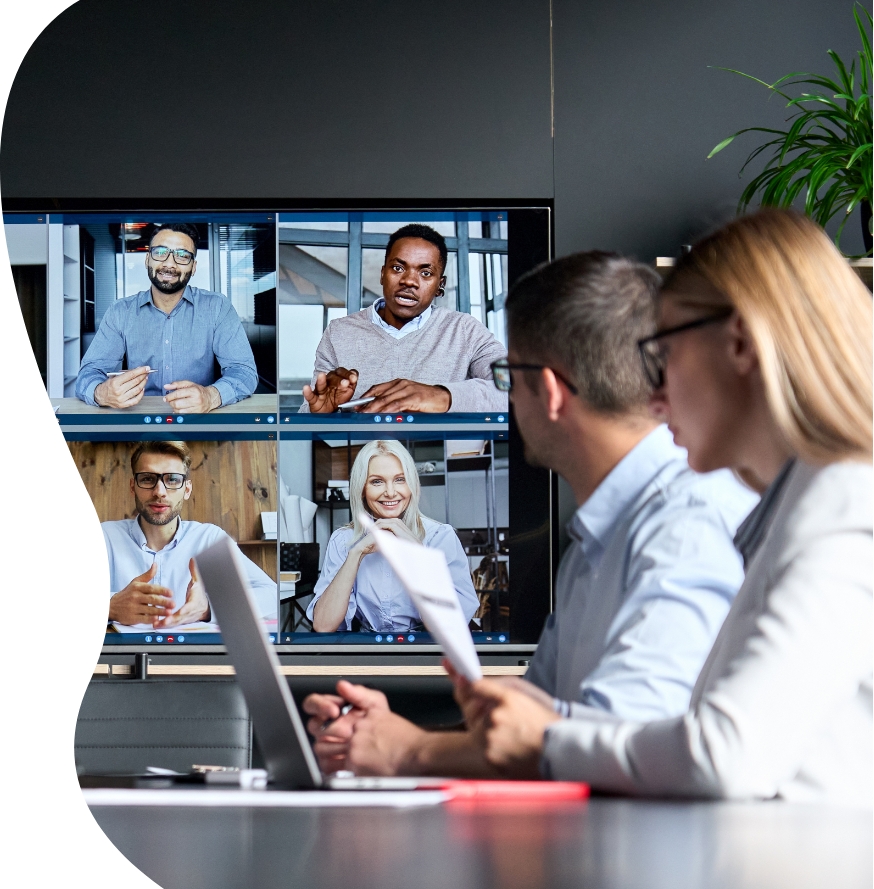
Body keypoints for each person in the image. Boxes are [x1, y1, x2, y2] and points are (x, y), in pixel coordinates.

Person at [467, 210, 872, 806]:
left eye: (665, 352)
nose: (653, 394)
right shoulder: (794, 507)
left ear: (737, 343)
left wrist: (549, 737)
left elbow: (726, 754)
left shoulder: (841, 505)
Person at [303, 251, 758, 776]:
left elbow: (626, 747)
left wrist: (408, 752)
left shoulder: (685, 526)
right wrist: (384, 734)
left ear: (548, 391)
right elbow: (542, 725)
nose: (506, 395)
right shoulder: (600, 536)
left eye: (508, 374)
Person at [300, 224, 508, 414]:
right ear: (383, 274)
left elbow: (516, 389)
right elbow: (310, 415)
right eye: (398, 268)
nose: (409, 281)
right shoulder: (339, 332)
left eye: (426, 273)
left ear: (440, 285)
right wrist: (320, 414)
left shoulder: (465, 330)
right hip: (363, 455)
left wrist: (441, 395)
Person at [75, 223, 258, 412]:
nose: (170, 263)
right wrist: (101, 392)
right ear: (148, 259)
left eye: (182, 255)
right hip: (138, 424)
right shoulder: (120, 312)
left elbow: (244, 371)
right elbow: (89, 373)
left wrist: (211, 396)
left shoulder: (218, 307)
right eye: (161, 252)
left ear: (193, 267)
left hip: (199, 422)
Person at [307, 439, 479, 632]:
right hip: (369, 650)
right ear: (362, 489)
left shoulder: (440, 537)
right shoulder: (342, 541)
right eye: (377, 481)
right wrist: (356, 554)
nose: (390, 492)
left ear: (411, 484)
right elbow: (323, 625)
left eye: (400, 479)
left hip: (428, 648)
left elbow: (448, 627)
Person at [103, 440, 276, 629]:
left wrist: (208, 608)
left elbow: (271, 594)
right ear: (132, 486)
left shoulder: (210, 539)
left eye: (172, 480)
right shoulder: (103, 537)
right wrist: (109, 607)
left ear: (187, 489)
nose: (159, 492)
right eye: (147, 479)